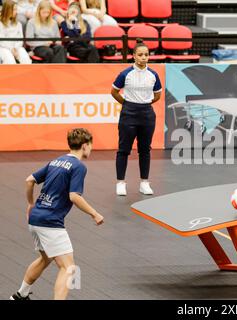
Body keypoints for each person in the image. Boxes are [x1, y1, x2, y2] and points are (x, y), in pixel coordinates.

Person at [10, 128, 104, 300]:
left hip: (36, 218)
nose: (91, 149)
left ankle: (20, 295)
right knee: (69, 268)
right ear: (84, 146)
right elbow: (74, 196)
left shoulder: (56, 161)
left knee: (45, 258)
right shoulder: (79, 167)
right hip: (50, 222)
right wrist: (94, 213)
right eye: (90, 146)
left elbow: (29, 180)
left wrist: (31, 204)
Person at [111, 39, 162, 196]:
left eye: (146, 55)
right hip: (128, 114)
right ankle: (120, 183)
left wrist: (144, 103)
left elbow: (157, 95)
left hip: (147, 114)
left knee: (145, 150)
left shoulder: (153, 75)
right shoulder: (125, 74)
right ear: (133, 56)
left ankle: (144, 183)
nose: (143, 57)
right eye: (140, 55)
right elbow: (114, 92)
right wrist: (127, 104)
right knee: (123, 150)